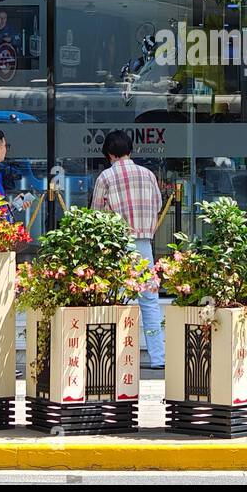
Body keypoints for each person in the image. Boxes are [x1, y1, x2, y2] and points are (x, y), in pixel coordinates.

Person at [91, 130, 164, 370]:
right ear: (130, 150)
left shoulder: (106, 177)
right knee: (149, 301)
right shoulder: (148, 174)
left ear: (110, 154)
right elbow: (158, 204)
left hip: (119, 245)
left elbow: (96, 215)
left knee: (119, 299)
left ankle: (121, 356)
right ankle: (158, 357)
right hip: (144, 244)